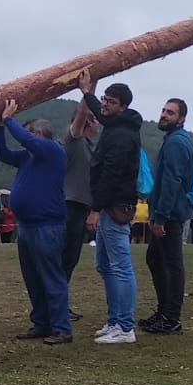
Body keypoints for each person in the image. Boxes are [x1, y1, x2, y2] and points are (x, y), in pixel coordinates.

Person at [0, 102, 71, 344]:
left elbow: (26, 141)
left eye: (28, 133)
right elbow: (3, 155)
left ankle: (62, 328)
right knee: (33, 278)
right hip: (27, 226)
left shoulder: (52, 150)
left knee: (51, 277)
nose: (23, 139)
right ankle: (42, 323)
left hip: (47, 225)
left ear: (39, 134)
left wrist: (9, 120)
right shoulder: (28, 157)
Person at [78, 69, 143, 345]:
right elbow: (101, 113)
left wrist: (95, 208)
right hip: (108, 206)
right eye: (105, 99)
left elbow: (111, 175)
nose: (105, 105)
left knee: (119, 266)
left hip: (114, 207)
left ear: (123, 106)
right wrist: (87, 93)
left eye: (111, 102)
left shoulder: (122, 135)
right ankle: (114, 320)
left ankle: (125, 327)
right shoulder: (116, 125)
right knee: (104, 265)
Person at [142, 97, 193, 336]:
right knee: (155, 259)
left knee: (172, 264)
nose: (164, 114)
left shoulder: (176, 143)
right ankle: (164, 311)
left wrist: (161, 217)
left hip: (170, 214)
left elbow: (171, 181)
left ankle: (171, 318)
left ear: (182, 118)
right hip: (166, 211)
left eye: (171, 112)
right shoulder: (173, 140)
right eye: (164, 110)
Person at [60, 105, 98, 311]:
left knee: (71, 259)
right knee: (65, 258)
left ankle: (60, 302)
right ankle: (56, 304)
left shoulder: (90, 145)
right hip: (71, 205)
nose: (98, 123)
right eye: (95, 119)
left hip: (82, 207)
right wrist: (88, 87)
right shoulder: (74, 140)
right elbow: (81, 113)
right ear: (88, 122)